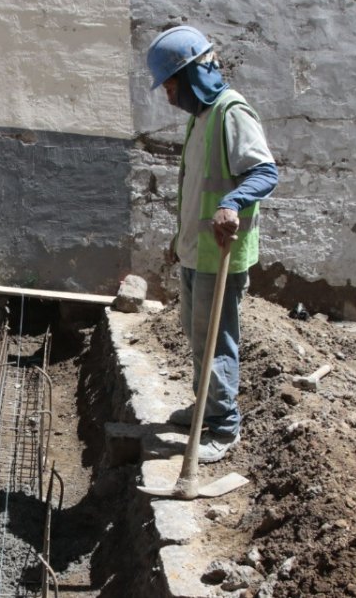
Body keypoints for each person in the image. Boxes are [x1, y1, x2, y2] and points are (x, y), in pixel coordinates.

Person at [146, 25, 279, 464]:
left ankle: (222, 426)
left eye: (169, 86)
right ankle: (205, 408)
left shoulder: (231, 113)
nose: (168, 97)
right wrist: (177, 240)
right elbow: (193, 188)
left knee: (216, 342)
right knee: (195, 334)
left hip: (219, 254)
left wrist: (233, 202)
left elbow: (264, 172)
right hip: (195, 251)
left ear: (189, 76)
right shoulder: (201, 118)